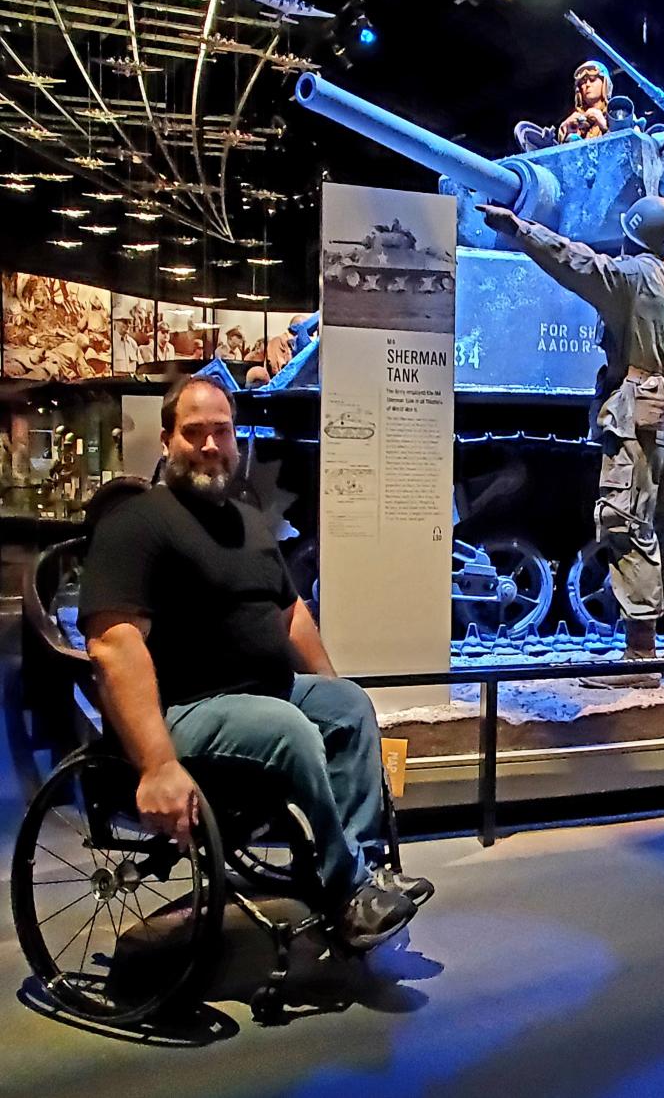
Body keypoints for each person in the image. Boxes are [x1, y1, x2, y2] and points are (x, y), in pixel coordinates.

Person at [78, 376, 433, 949]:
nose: (211, 446)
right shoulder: (136, 524)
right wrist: (157, 765)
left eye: (222, 431)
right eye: (194, 433)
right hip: (186, 707)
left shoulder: (246, 523)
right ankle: (347, 892)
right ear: (167, 440)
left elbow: (290, 612)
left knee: (347, 705)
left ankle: (369, 869)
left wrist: (329, 683)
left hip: (261, 691)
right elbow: (113, 643)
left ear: (236, 439)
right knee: (287, 728)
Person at [478, 195, 664, 688]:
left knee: (626, 522)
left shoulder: (630, 277)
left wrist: (521, 230)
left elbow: (573, 261)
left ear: (634, 233)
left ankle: (641, 658)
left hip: (637, 417)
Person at [558, 59, 612, 143]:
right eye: (583, 82)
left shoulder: (617, 113)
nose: (587, 85)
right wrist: (568, 132)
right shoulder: (574, 120)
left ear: (604, 84)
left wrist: (604, 125)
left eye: (592, 79)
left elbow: (629, 145)